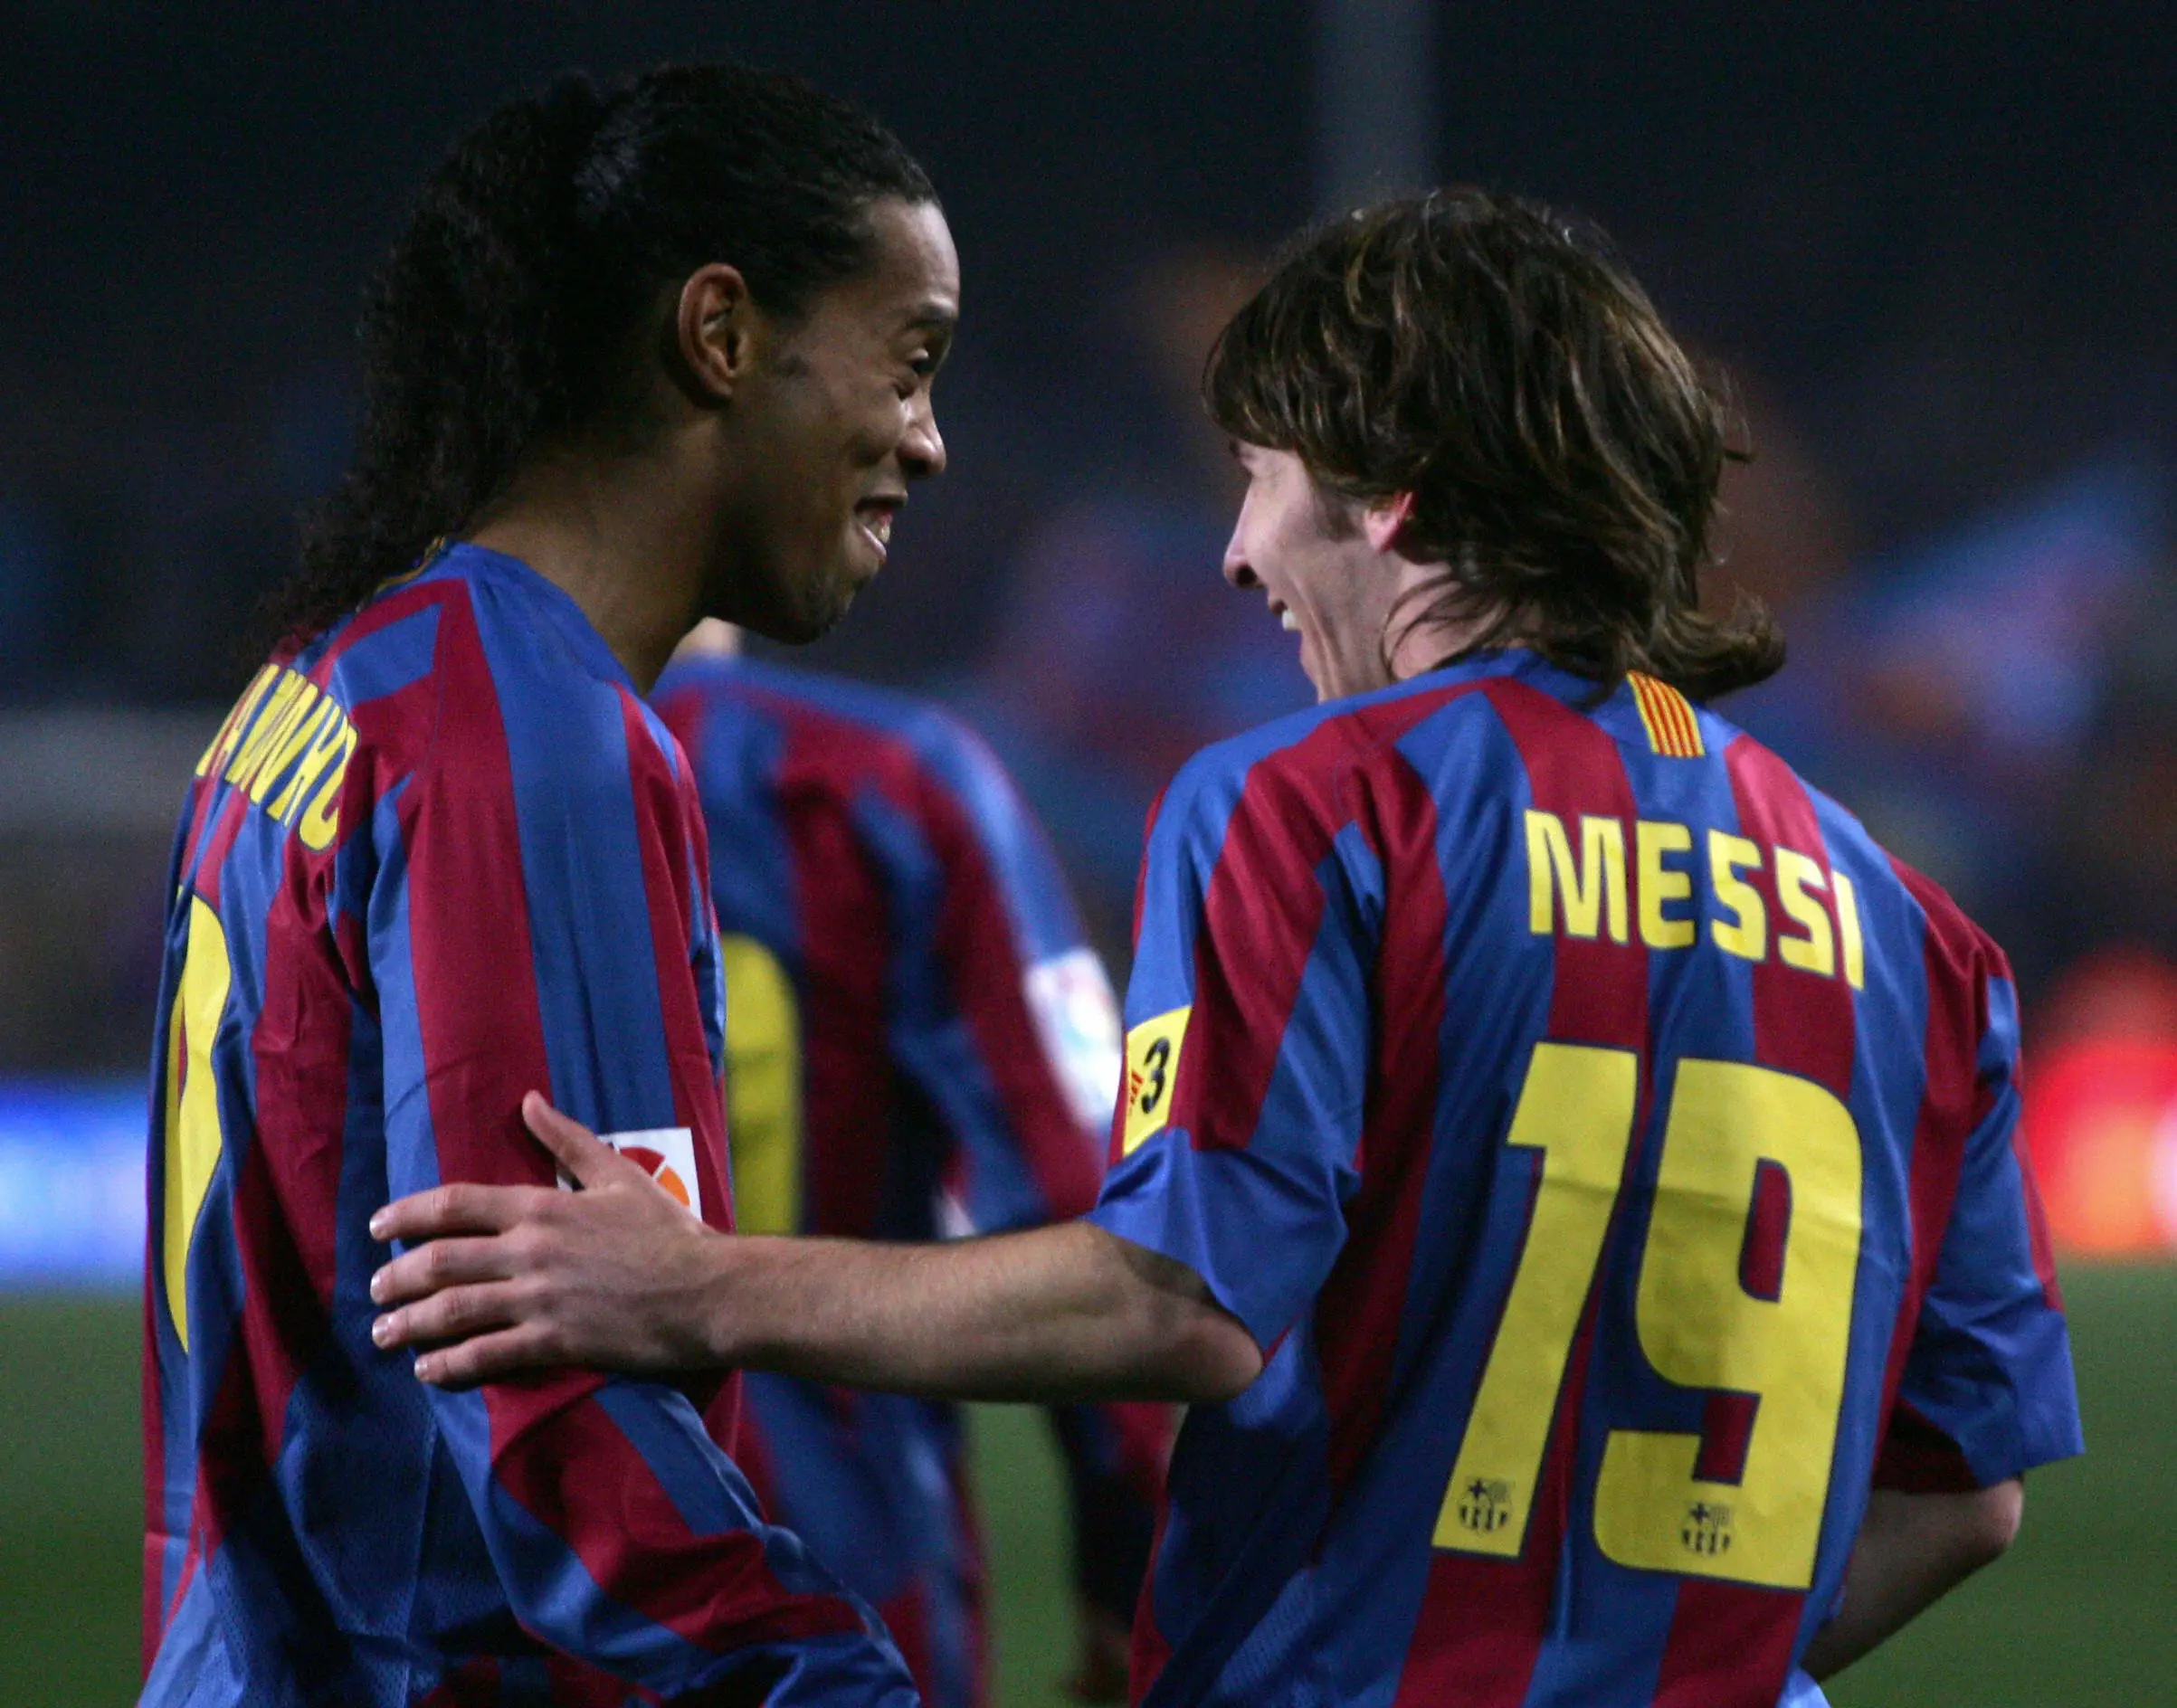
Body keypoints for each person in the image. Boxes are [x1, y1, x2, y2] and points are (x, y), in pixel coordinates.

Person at [369, 191, 2085, 1707]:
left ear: (1394, 497)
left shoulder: (1314, 802)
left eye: (1263, 478)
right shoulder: (1915, 927)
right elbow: (1963, 1493)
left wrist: (694, 1286)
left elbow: (1179, 1296)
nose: (1239, 547)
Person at [143, 62, 956, 1705]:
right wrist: (827, 1679)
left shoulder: (336, 676)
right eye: (912, 360)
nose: (930, 443)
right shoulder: (532, 739)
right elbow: (564, 1402)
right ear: (719, 335)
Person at [650, 621, 1165, 1703]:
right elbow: (1097, 1215)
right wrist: (1131, 1581)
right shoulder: (890, 780)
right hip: (843, 1599)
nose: (912, 446)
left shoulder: (375, 762)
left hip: (489, 1603)